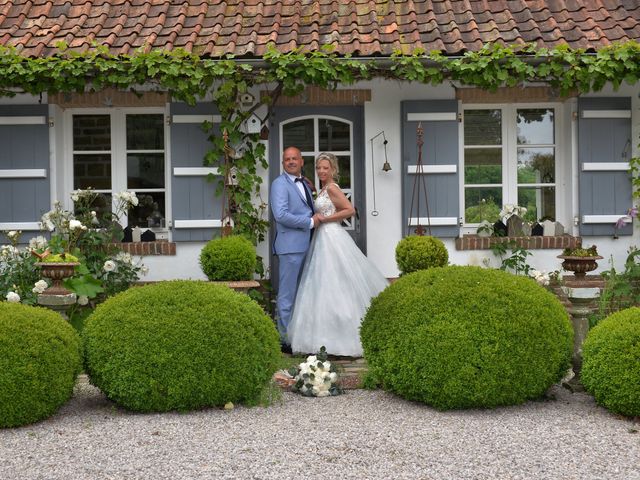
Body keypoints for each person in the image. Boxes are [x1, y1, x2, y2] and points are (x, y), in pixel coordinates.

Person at [287, 152, 389, 357]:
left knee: (336, 282)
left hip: (332, 236)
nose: (322, 171)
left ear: (333, 169)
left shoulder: (332, 188)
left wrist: (326, 219)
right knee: (321, 285)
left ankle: (342, 339)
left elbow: (350, 210)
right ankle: (322, 339)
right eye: (319, 168)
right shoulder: (323, 189)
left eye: (326, 168)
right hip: (322, 238)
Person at [270, 146, 320, 352]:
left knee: (305, 293)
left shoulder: (305, 183)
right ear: (283, 163)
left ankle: (301, 335)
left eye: (294, 158)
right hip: (290, 247)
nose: (290, 161)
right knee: (287, 294)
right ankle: (284, 340)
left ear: (301, 161)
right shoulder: (279, 184)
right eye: (286, 159)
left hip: (309, 244)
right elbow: (280, 215)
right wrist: (309, 222)